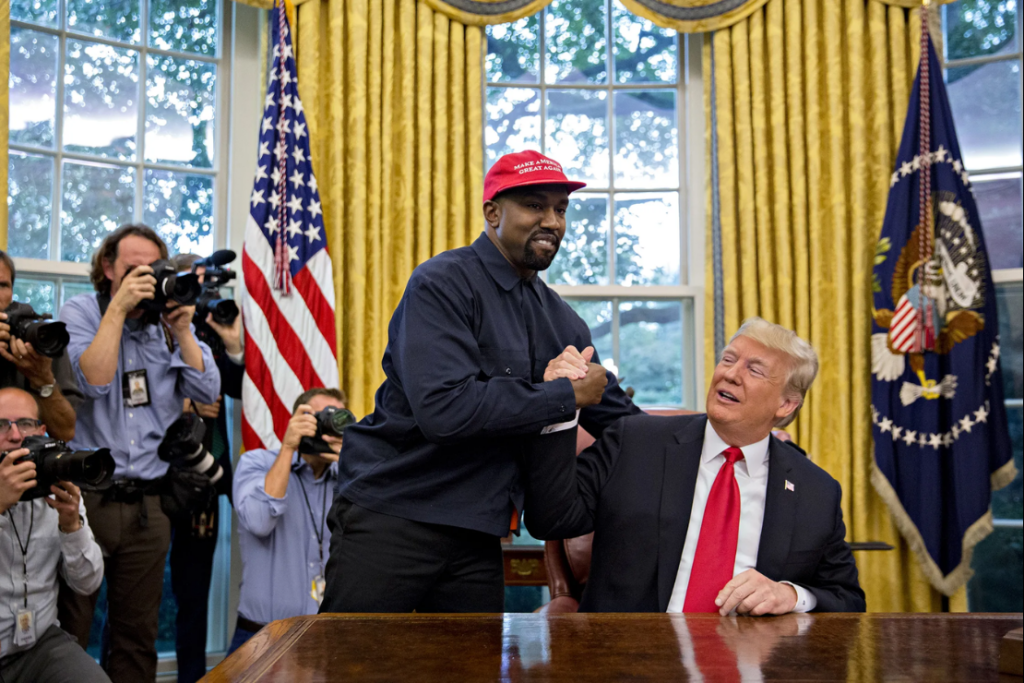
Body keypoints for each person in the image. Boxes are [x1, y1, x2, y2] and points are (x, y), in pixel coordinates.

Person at [320, 150, 640, 615]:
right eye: (535, 205)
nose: (552, 220)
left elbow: (620, 420)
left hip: (478, 533)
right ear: (493, 213)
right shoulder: (442, 284)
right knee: (354, 668)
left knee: (469, 669)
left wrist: (699, 440)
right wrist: (563, 395)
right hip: (393, 516)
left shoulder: (563, 323)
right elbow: (445, 411)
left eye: (561, 209)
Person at [522, 317, 866, 614]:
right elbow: (550, 519)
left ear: (786, 404)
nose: (730, 374)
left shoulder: (816, 491)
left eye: (754, 370)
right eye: (728, 359)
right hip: (632, 661)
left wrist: (791, 595)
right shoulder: (635, 442)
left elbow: (847, 598)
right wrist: (559, 406)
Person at [55, 224, 221, 683]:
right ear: (108, 268)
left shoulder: (165, 327)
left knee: (137, 635)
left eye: (153, 269)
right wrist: (120, 311)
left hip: (150, 503)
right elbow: (93, 381)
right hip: (87, 497)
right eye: (133, 269)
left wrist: (184, 331)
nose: (144, 278)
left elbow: (208, 391)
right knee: (71, 626)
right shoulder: (83, 311)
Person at [167, 253, 244, 683]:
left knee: (195, 598)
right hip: (155, 475)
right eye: (195, 285)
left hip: (204, 481)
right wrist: (186, 404)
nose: (203, 295)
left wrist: (231, 343)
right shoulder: (155, 326)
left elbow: (234, 390)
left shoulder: (211, 326)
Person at [0, 387, 109, 683]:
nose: (15, 435)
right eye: (2, 425)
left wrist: (72, 524)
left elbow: (87, 583)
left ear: (41, 432)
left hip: (40, 644)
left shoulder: (55, 485)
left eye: (25, 424)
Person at [230, 388, 346, 653]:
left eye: (336, 419)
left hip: (327, 636)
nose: (328, 427)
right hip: (262, 636)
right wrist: (288, 448)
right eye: (320, 418)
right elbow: (259, 522)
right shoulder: (256, 463)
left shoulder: (349, 476)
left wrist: (352, 465)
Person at [0, 251, 82, 442]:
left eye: (2, 285)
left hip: (28, 464)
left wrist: (42, 379)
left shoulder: (38, 339)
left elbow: (65, 432)